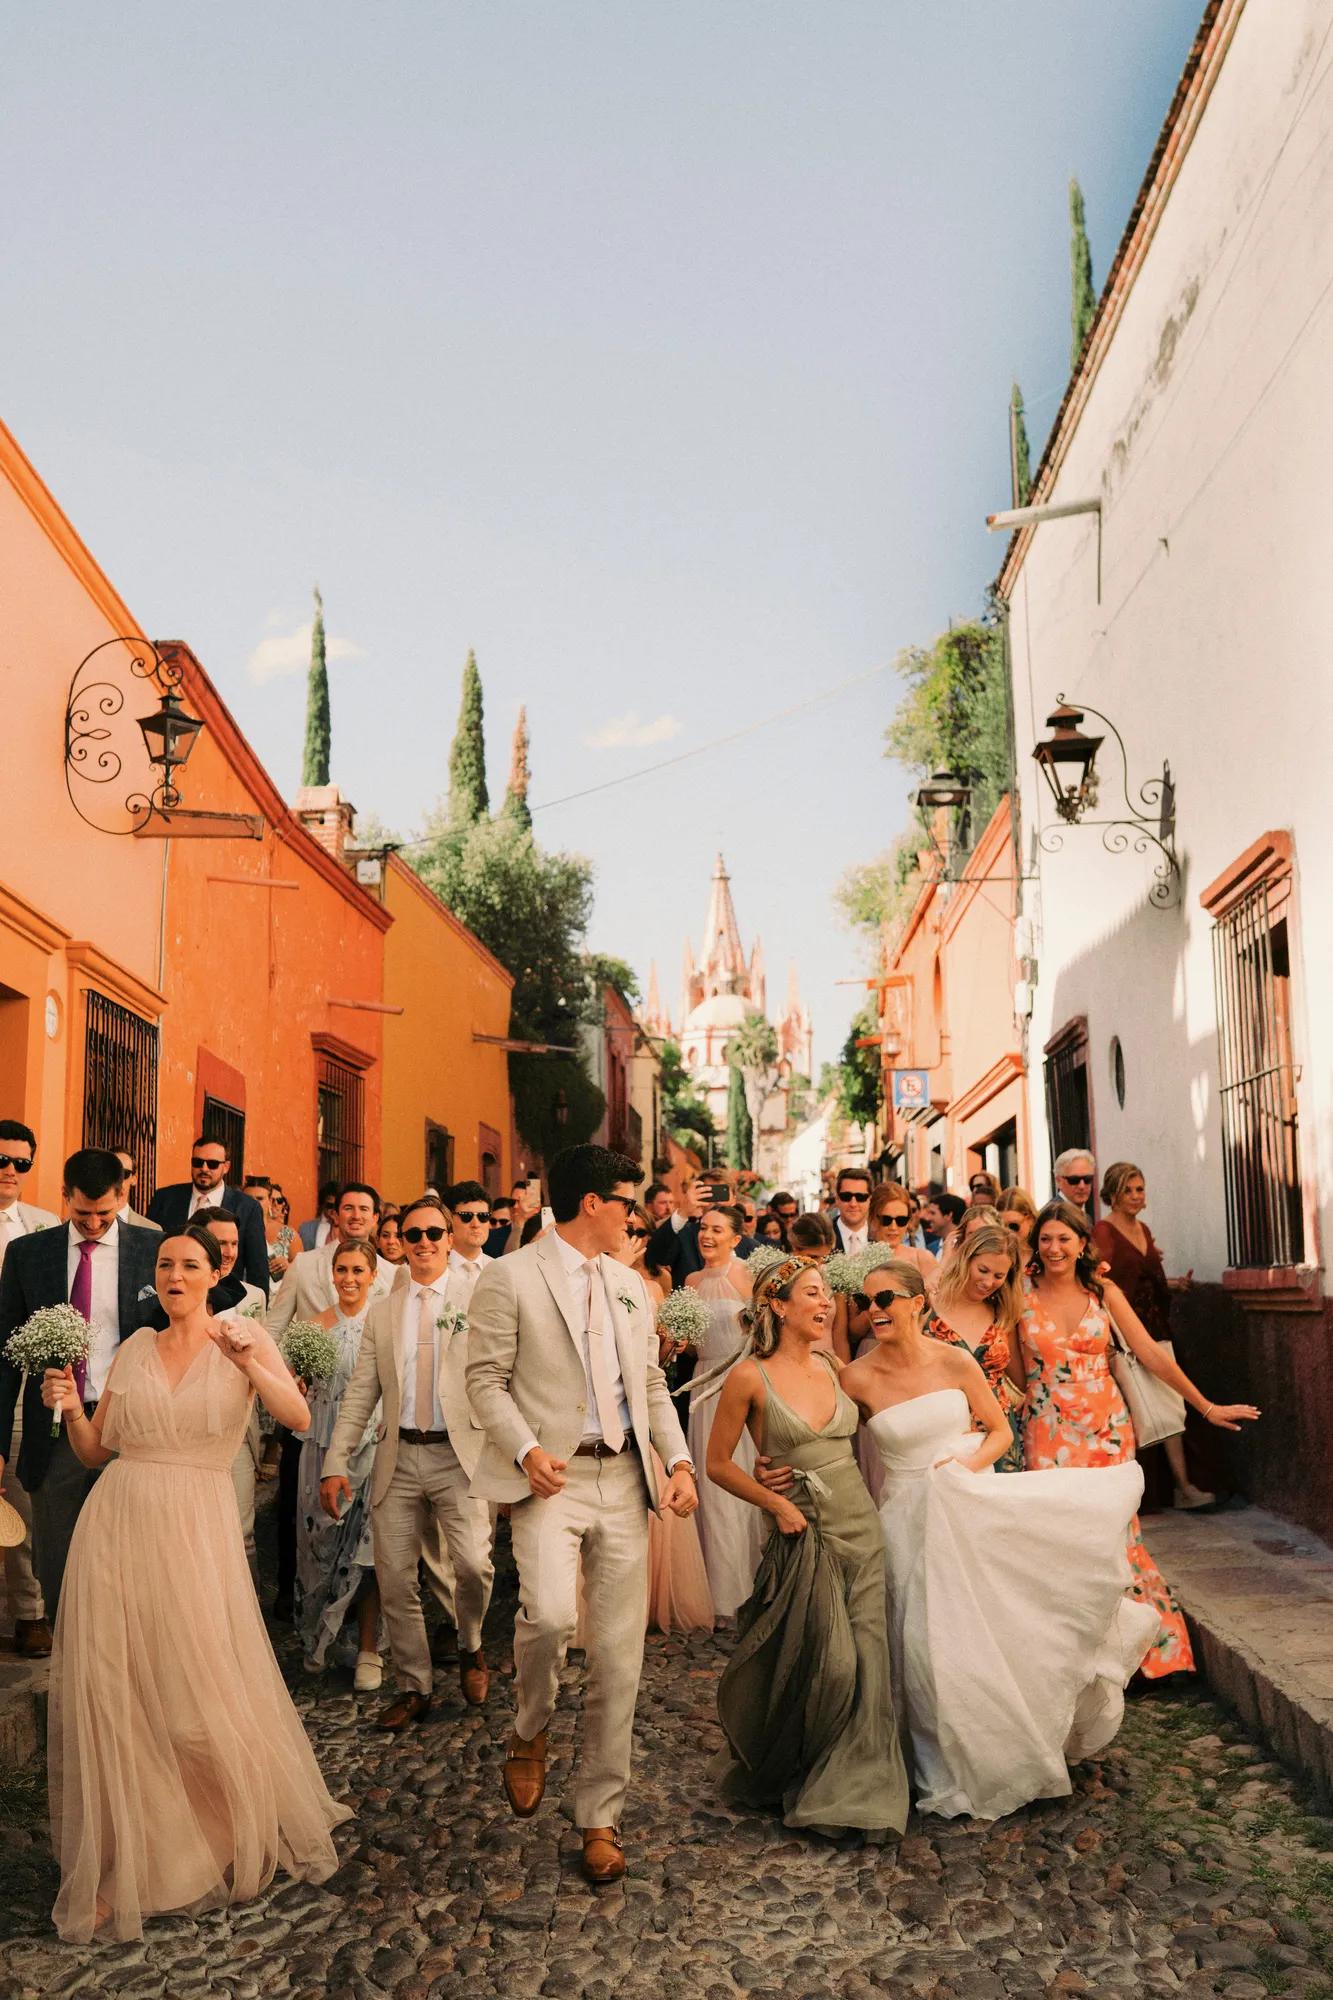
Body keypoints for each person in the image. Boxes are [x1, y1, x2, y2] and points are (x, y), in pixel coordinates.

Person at [41, 1225, 349, 1941]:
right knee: (119, 1697)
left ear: (216, 1274)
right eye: (165, 1264)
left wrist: (252, 1361)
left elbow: (297, 1416)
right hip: (116, 1528)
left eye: (190, 1265)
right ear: (156, 1279)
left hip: (195, 1535)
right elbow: (96, 1452)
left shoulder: (241, 1337)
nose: (175, 1275)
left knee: (189, 1698)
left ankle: (222, 1825)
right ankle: (132, 1865)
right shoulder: (135, 1349)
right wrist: (71, 1403)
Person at [841, 1259, 1159, 1821]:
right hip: (905, 1518)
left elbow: (999, 1431)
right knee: (917, 1642)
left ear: (918, 1302)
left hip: (966, 1504)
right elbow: (825, 1438)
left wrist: (960, 1468)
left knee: (979, 1632)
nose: (876, 1310)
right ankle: (932, 1762)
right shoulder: (856, 1377)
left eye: (886, 1298)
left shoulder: (956, 1360)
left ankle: (1002, 1745)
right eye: (867, 1302)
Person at [466, 1144, 697, 1887]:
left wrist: (680, 1461)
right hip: (550, 1480)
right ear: (593, 1203)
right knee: (552, 1618)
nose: (639, 1215)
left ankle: (599, 1815)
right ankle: (529, 1725)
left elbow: (652, 1383)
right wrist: (526, 1450)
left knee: (619, 1657)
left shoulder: (630, 1284)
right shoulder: (510, 1277)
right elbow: (484, 1380)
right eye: (628, 1201)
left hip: (624, 1477)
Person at [1013, 1200, 1259, 1680]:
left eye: (1065, 1238)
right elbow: (1012, 1372)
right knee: (1060, 1539)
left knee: (1118, 1538)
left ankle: (1149, 1658)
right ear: (1036, 1245)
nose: (1054, 1247)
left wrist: (1205, 1406)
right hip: (1045, 1429)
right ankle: (1078, 1662)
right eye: (1046, 1239)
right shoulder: (1018, 1293)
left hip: (1106, 1429)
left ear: (1083, 1244)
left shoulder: (1102, 1292)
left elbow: (1149, 1353)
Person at [706, 1256, 909, 1837]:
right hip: (803, 1532)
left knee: (869, 1663)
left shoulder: (832, 1364)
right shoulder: (749, 1378)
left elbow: (892, 1403)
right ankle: (798, 1757)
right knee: (830, 1663)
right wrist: (775, 1501)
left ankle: (860, 1791)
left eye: (827, 1296)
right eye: (814, 1295)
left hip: (862, 1529)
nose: (826, 1306)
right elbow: (718, 1464)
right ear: (778, 1304)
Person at [322, 1197, 494, 1730]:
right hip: (398, 1456)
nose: (422, 1243)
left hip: (459, 1457)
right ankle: (414, 1684)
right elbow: (360, 1394)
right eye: (412, 1234)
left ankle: (469, 1642)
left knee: (473, 1567)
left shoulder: (479, 1300)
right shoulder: (384, 1310)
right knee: (396, 1577)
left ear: (449, 1237)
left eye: (432, 1234)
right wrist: (335, 1461)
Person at [0, 1149, 160, 1619]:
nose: (93, 1223)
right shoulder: (29, 1254)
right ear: (64, 1196)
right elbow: (6, 1354)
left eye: (105, 1213)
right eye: (83, 1213)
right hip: (55, 1432)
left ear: (123, 1196)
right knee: (57, 1562)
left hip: (129, 1428)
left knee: (127, 1560)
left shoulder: (152, 1250)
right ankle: (69, 1663)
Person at [268, 1183, 394, 1620]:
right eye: (348, 1207)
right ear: (335, 1214)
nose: (356, 1215)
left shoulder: (395, 1277)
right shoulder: (304, 1267)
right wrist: (287, 1380)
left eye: (365, 1208)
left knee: (369, 1534)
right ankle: (301, 1600)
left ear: (376, 1217)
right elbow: (275, 1331)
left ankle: (366, 1631)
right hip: (314, 1415)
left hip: (372, 1426)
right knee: (304, 1517)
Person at [613, 1208, 711, 1636]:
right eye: (626, 1230)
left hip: (647, 1405)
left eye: (637, 1232)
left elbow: (658, 1362)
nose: (630, 1237)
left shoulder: (656, 1285)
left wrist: (674, 1346)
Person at [1093, 1162, 1211, 1511]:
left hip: (1156, 1329)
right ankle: (1150, 1492)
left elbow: (1144, 1275)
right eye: (1127, 1189)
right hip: (1125, 1334)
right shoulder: (1104, 1231)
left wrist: (1173, 1283)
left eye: (1139, 1189)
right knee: (1138, 1409)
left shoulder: (1142, 1228)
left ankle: (1182, 1486)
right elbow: (1102, 1280)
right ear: (1112, 1193)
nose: (1134, 1196)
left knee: (1169, 1405)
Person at [298, 1240, 384, 1689]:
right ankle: (319, 1639)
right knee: (320, 1548)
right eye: (341, 1269)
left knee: (367, 1553)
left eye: (357, 1270)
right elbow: (295, 1389)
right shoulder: (313, 1327)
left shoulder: (383, 1324)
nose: (349, 1278)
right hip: (319, 1444)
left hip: (372, 1447)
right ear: (332, 1274)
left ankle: (369, 1648)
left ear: (373, 1275)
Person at [684, 1206, 761, 1620]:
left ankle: (750, 1585)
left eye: (716, 1230)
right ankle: (719, 1590)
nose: (706, 1235)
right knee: (711, 1492)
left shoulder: (749, 1276)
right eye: (702, 1228)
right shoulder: (692, 1282)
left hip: (740, 1388)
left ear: (736, 1238)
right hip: (703, 1388)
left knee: (742, 1484)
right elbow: (697, 1347)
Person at [0, 1119, 57, 1658]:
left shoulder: (44, 1227)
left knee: (18, 1495)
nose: (10, 1172)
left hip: (16, 1381)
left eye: (21, 1163)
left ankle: (29, 1612)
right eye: (2, 1161)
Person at [186, 1206, 267, 1583]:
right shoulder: (174, 1293)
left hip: (237, 1422)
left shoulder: (253, 1297)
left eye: (235, 1243)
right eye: (221, 1243)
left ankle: (245, 1619)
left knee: (242, 1528)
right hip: (187, 1421)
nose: (231, 1251)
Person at [925, 1225, 1026, 1471]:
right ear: (966, 1259)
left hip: (999, 1436)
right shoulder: (928, 1306)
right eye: (983, 1270)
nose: (989, 1281)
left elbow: (1020, 1379)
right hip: (945, 1432)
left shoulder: (1002, 1314)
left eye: (999, 1276)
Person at [147, 1138, 270, 1295]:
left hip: (227, 1302)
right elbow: (149, 1253)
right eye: (197, 1162)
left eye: (212, 1164)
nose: (204, 1168)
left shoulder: (247, 1207)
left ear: (226, 1167)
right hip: (171, 1297)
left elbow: (257, 1267)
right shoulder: (165, 1198)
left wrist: (256, 1309)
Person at [866, 1183, 938, 1284]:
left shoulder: (923, 1259)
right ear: (873, 1218)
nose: (893, 1227)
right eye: (886, 1220)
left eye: (901, 1220)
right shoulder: (857, 1262)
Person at [445, 1181, 494, 1306]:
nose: (476, 1224)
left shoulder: (498, 1269)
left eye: (483, 1216)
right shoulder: (435, 1269)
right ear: (448, 1219)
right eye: (466, 1216)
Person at [110, 1149, 158, 1232]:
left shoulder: (152, 1230)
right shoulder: (86, 1225)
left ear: (134, 1179)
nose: (117, 1179)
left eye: (124, 1173)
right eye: (111, 1172)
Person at [831, 1168, 874, 1255]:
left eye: (860, 1197)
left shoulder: (880, 1235)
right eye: (846, 1196)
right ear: (837, 1199)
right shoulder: (823, 1236)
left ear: (870, 1200)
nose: (853, 1204)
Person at [298, 1183, 340, 1253]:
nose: (333, 1209)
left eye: (337, 1206)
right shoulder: (305, 1228)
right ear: (323, 1204)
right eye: (330, 1205)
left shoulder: (347, 1228)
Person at [998, 1186, 1038, 1253]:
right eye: (1002, 1226)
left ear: (1031, 1219)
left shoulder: (1044, 1252)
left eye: (1013, 1226)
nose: (1008, 1233)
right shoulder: (996, 1253)